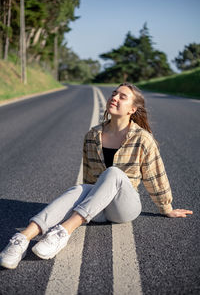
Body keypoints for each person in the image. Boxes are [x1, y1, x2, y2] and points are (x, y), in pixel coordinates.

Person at [0, 82, 193, 270]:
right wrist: (84, 200)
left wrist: (166, 207)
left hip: (123, 208)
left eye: (122, 96)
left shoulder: (142, 138)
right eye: (114, 94)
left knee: (114, 173)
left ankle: (63, 232)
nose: (114, 98)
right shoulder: (92, 136)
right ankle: (22, 239)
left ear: (132, 109)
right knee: (80, 188)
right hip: (98, 209)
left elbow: (155, 175)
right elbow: (89, 177)